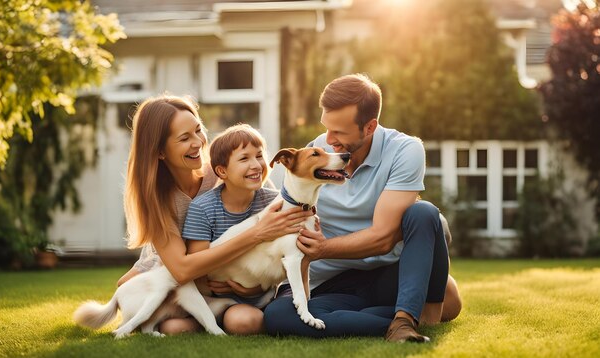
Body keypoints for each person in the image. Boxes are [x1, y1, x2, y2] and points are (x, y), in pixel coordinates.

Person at [263, 74, 462, 342]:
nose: (327, 139)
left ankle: (403, 317)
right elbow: (279, 212)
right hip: (331, 285)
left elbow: (383, 237)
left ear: (369, 127)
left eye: (339, 132)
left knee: (425, 213)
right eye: (326, 128)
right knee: (278, 317)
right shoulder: (317, 153)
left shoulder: (405, 151)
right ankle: (408, 317)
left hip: (388, 275)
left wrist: (323, 249)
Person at [116, 95, 312, 334]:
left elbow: (279, 232)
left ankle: (209, 316)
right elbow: (181, 270)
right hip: (172, 264)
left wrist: (260, 285)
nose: (198, 142)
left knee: (228, 321)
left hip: (229, 270)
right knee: (125, 289)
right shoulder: (157, 197)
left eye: (198, 130)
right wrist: (257, 233)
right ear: (160, 152)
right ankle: (206, 315)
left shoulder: (230, 169)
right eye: (184, 138)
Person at [162, 124, 279, 335]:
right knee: (173, 328)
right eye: (244, 159)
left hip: (260, 294)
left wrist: (258, 287)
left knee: (246, 322)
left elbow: (287, 256)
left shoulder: (274, 202)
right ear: (222, 171)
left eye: (260, 156)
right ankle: (210, 320)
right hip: (216, 297)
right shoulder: (203, 208)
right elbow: (199, 267)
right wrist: (224, 284)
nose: (256, 165)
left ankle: (218, 322)